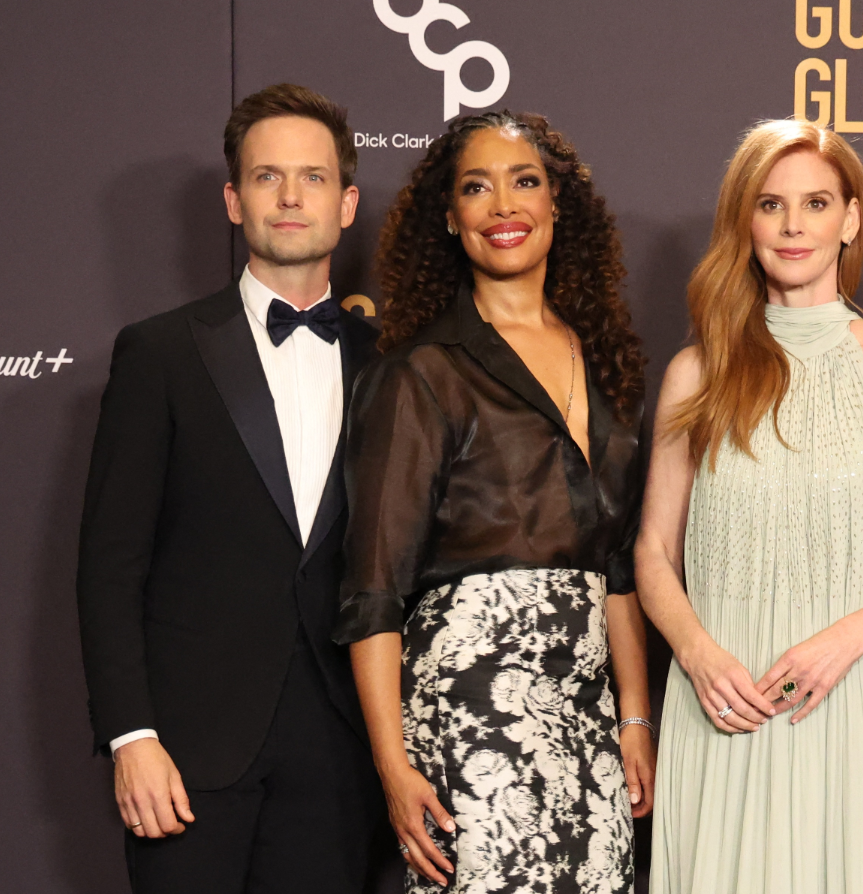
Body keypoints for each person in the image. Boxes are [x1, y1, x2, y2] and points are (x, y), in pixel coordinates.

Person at [637, 119, 863, 894]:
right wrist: (696, 654)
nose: (793, 226)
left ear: (850, 219)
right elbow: (653, 553)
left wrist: (846, 641)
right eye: (770, 204)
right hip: (724, 703)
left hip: (857, 696)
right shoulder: (696, 373)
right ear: (744, 221)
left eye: (816, 202)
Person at [76, 84, 384, 892]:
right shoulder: (161, 353)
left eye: (313, 178)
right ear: (232, 198)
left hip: (344, 752)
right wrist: (130, 736)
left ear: (347, 203)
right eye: (266, 177)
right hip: (186, 753)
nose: (290, 197)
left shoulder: (396, 364)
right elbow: (110, 563)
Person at [338, 110, 655, 894]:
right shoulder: (420, 373)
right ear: (450, 218)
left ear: (557, 204)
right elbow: (373, 589)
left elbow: (615, 567)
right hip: (471, 715)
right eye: (476, 188)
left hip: (587, 715)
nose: (503, 206)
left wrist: (635, 718)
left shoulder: (604, 360)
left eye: (524, 182)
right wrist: (393, 764)